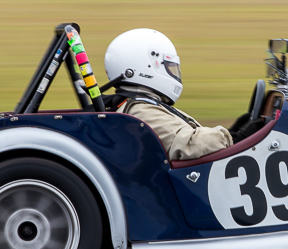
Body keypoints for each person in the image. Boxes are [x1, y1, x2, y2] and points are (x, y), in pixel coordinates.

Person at [104, 28, 264, 160]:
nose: (173, 73)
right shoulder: (140, 111)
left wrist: (233, 132)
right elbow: (189, 144)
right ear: (145, 67)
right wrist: (234, 137)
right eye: (169, 66)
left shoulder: (142, 105)